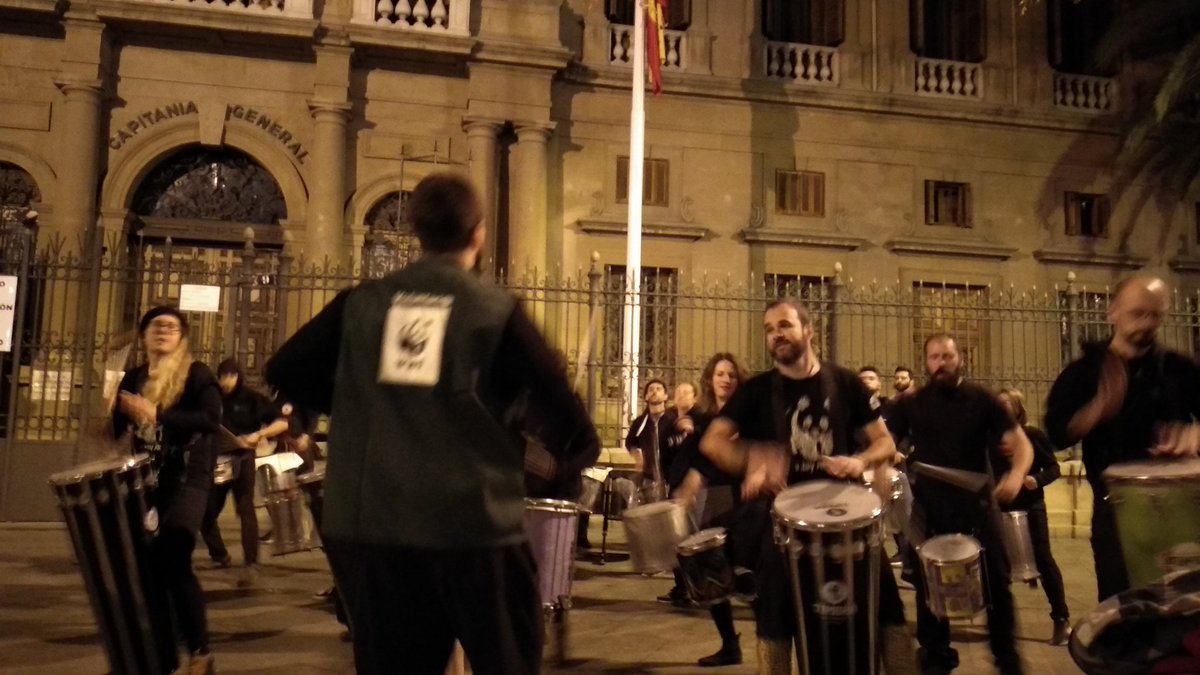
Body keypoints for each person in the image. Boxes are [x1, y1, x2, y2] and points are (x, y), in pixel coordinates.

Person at [265, 172, 600, 674]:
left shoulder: (360, 304)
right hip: (475, 530)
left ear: (416, 231)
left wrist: (355, 401)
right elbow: (563, 410)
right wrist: (561, 458)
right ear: (478, 233)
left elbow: (284, 369)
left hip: (375, 529)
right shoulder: (494, 311)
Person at [700, 298, 913, 675]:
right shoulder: (757, 391)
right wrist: (753, 458)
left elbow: (885, 444)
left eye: (784, 325)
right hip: (783, 523)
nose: (776, 334)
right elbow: (713, 442)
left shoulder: (844, 383)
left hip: (849, 517)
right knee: (775, 618)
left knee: (887, 610)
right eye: (769, 329)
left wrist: (859, 461)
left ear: (809, 331)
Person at [1045, 275, 1200, 601]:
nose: (1147, 323)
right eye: (1138, 313)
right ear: (1112, 313)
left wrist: (1195, 435)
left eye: (1155, 315)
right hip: (1115, 514)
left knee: (1184, 610)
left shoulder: (1179, 370)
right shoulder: (1084, 373)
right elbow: (1055, 434)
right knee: (1123, 610)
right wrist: (1097, 409)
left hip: (1182, 512)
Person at [886, 334, 1032, 675]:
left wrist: (1014, 475)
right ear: (925, 362)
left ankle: (1007, 661)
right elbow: (884, 440)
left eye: (947, 356)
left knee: (998, 585)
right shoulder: (913, 403)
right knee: (928, 592)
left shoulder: (982, 399)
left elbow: (1021, 445)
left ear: (960, 360)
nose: (940, 363)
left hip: (978, 508)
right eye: (934, 357)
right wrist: (881, 463)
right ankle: (936, 659)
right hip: (931, 510)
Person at [113, 306, 221, 675]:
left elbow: (209, 420)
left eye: (171, 326)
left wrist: (157, 414)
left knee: (175, 556)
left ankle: (200, 651)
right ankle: (159, 656)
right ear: (144, 336)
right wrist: (110, 403)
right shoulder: (134, 376)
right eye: (155, 325)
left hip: (188, 477)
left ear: (182, 337)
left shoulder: (197, 374)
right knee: (149, 569)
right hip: (147, 483)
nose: (163, 330)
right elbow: (116, 432)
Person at [671, 352, 750, 667]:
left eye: (731, 374)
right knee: (712, 576)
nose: (726, 379)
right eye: (720, 374)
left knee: (748, 574)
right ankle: (730, 644)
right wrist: (683, 488)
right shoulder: (702, 418)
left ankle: (775, 642)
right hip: (713, 497)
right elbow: (691, 459)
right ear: (710, 379)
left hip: (744, 497)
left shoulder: (748, 415)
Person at [200, 358, 288, 588]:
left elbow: (281, 422)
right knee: (206, 511)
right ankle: (219, 554)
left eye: (231, 376)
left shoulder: (252, 399)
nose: (227, 381)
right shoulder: (213, 398)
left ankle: (251, 563)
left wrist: (258, 435)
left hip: (242, 458)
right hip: (218, 459)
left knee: (245, 508)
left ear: (238, 376)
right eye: (223, 376)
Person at [995, 387, 1070, 645]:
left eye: (1008, 403)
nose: (1003, 407)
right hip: (1001, 507)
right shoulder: (991, 438)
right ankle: (1002, 624)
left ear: (1018, 408)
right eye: (999, 403)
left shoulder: (1033, 435)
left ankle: (1061, 618)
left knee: (1043, 558)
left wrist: (1035, 480)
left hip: (1031, 504)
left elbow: (1053, 468)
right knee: (997, 565)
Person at [624, 378, 675, 503]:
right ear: (646, 397)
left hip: (670, 479)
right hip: (648, 479)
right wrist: (636, 454)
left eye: (658, 389)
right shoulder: (641, 422)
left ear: (665, 396)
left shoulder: (673, 420)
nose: (654, 392)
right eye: (651, 390)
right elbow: (630, 441)